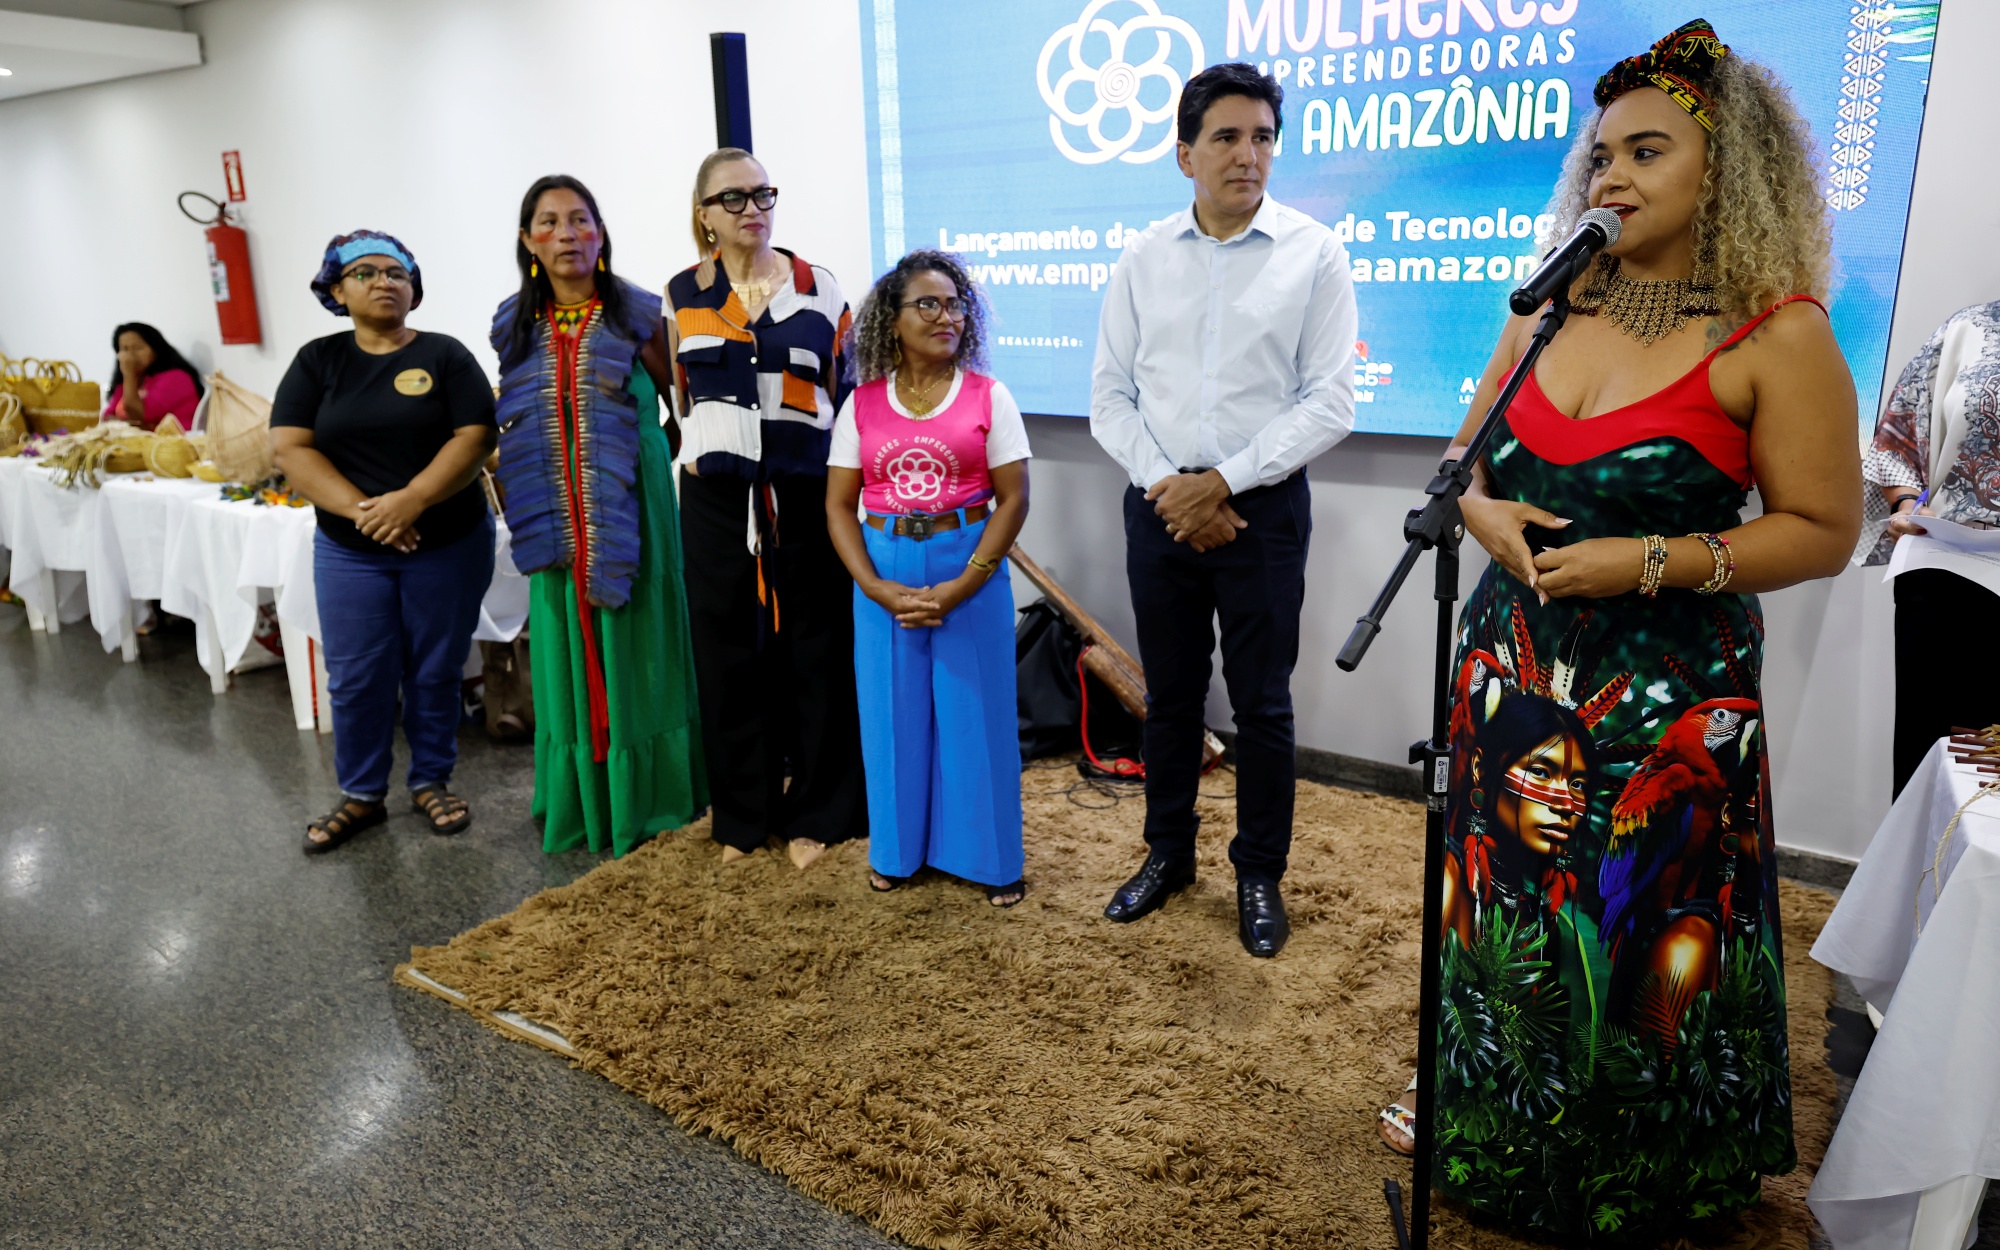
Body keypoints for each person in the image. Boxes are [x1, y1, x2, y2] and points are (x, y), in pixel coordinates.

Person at [1375, 22, 1861, 1237]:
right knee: (1508, 908)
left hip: (1663, 700)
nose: (1613, 175)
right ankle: (1490, 1113)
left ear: (1726, 171)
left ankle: (1630, 1169)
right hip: (1510, 678)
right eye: (1600, 155)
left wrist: (1642, 560)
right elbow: (1461, 460)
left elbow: (1818, 528)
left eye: (1647, 151)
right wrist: (1482, 515)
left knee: (1637, 927)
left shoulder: (1775, 331)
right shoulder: (1549, 307)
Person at [1088, 62, 1357, 958]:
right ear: (1185, 154)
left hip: (1262, 515)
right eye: (1228, 137)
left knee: (1263, 704)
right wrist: (1175, 489)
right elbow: (1110, 398)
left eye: (1264, 137)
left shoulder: (1314, 253)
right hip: (1159, 507)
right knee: (1170, 698)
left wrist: (1224, 483)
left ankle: (1258, 873)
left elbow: (1330, 402)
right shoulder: (1143, 258)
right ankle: (1168, 855)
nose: (1249, 155)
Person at [491, 175, 707, 858]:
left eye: (580, 219)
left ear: (601, 233)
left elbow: (686, 406)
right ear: (528, 240)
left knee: (642, 638)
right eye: (549, 222)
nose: (567, 234)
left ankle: (655, 794)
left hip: (633, 511)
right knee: (564, 641)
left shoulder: (639, 315)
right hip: (553, 515)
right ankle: (586, 796)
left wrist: (641, 465)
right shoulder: (514, 325)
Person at [667, 148, 865, 868]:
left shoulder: (819, 288)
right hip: (716, 501)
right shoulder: (681, 293)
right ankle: (742, 819)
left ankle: (820, 813)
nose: (752, 208)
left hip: (805, 494)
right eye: (734, 198)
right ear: (705, 215)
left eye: (762, 194)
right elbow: (682, 397)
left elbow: (847, 390)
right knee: (727, 656)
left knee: (816, 650)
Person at [271, 231, 498, 853]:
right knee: (356, 675)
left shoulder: (445, 355)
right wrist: (367, 512)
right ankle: (362, 793)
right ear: (336, 290)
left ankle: (431, 780)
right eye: (365, 273)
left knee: (436, 668)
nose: (384, 282)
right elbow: (289, 447)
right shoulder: (318, 361)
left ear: (413, 289)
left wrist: (413, 500)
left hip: (448, 542)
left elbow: (476, 437)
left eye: (397, 273)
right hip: (351, 550)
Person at [825, 251, 1031, 907]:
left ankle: (991, 860)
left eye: (955, 305)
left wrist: (967, 582)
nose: (947, 316)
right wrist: (873, 586)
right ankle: (896, 853)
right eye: (929, 304)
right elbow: (838, 505)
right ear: (892, 320)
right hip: (884, 572)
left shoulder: (989, 396)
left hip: (969, 566)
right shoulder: (862, 404)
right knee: (892, 717)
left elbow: (1014, 500)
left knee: (977, 715)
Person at [1856, 303, 2000, 796]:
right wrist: (1908, 504)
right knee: (1939, 778)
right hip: (1949, 581)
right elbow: (1896, 444)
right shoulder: (1972, 328)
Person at [104, 322, 202, 431]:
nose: (130, 356)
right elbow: (107, 417)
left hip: (176, 440)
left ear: (155, 349)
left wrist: (128, 374)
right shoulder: (135, 379)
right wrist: (135, 425)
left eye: (138, 348)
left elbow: (139, 415)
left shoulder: (177, 378)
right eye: (125, 349)